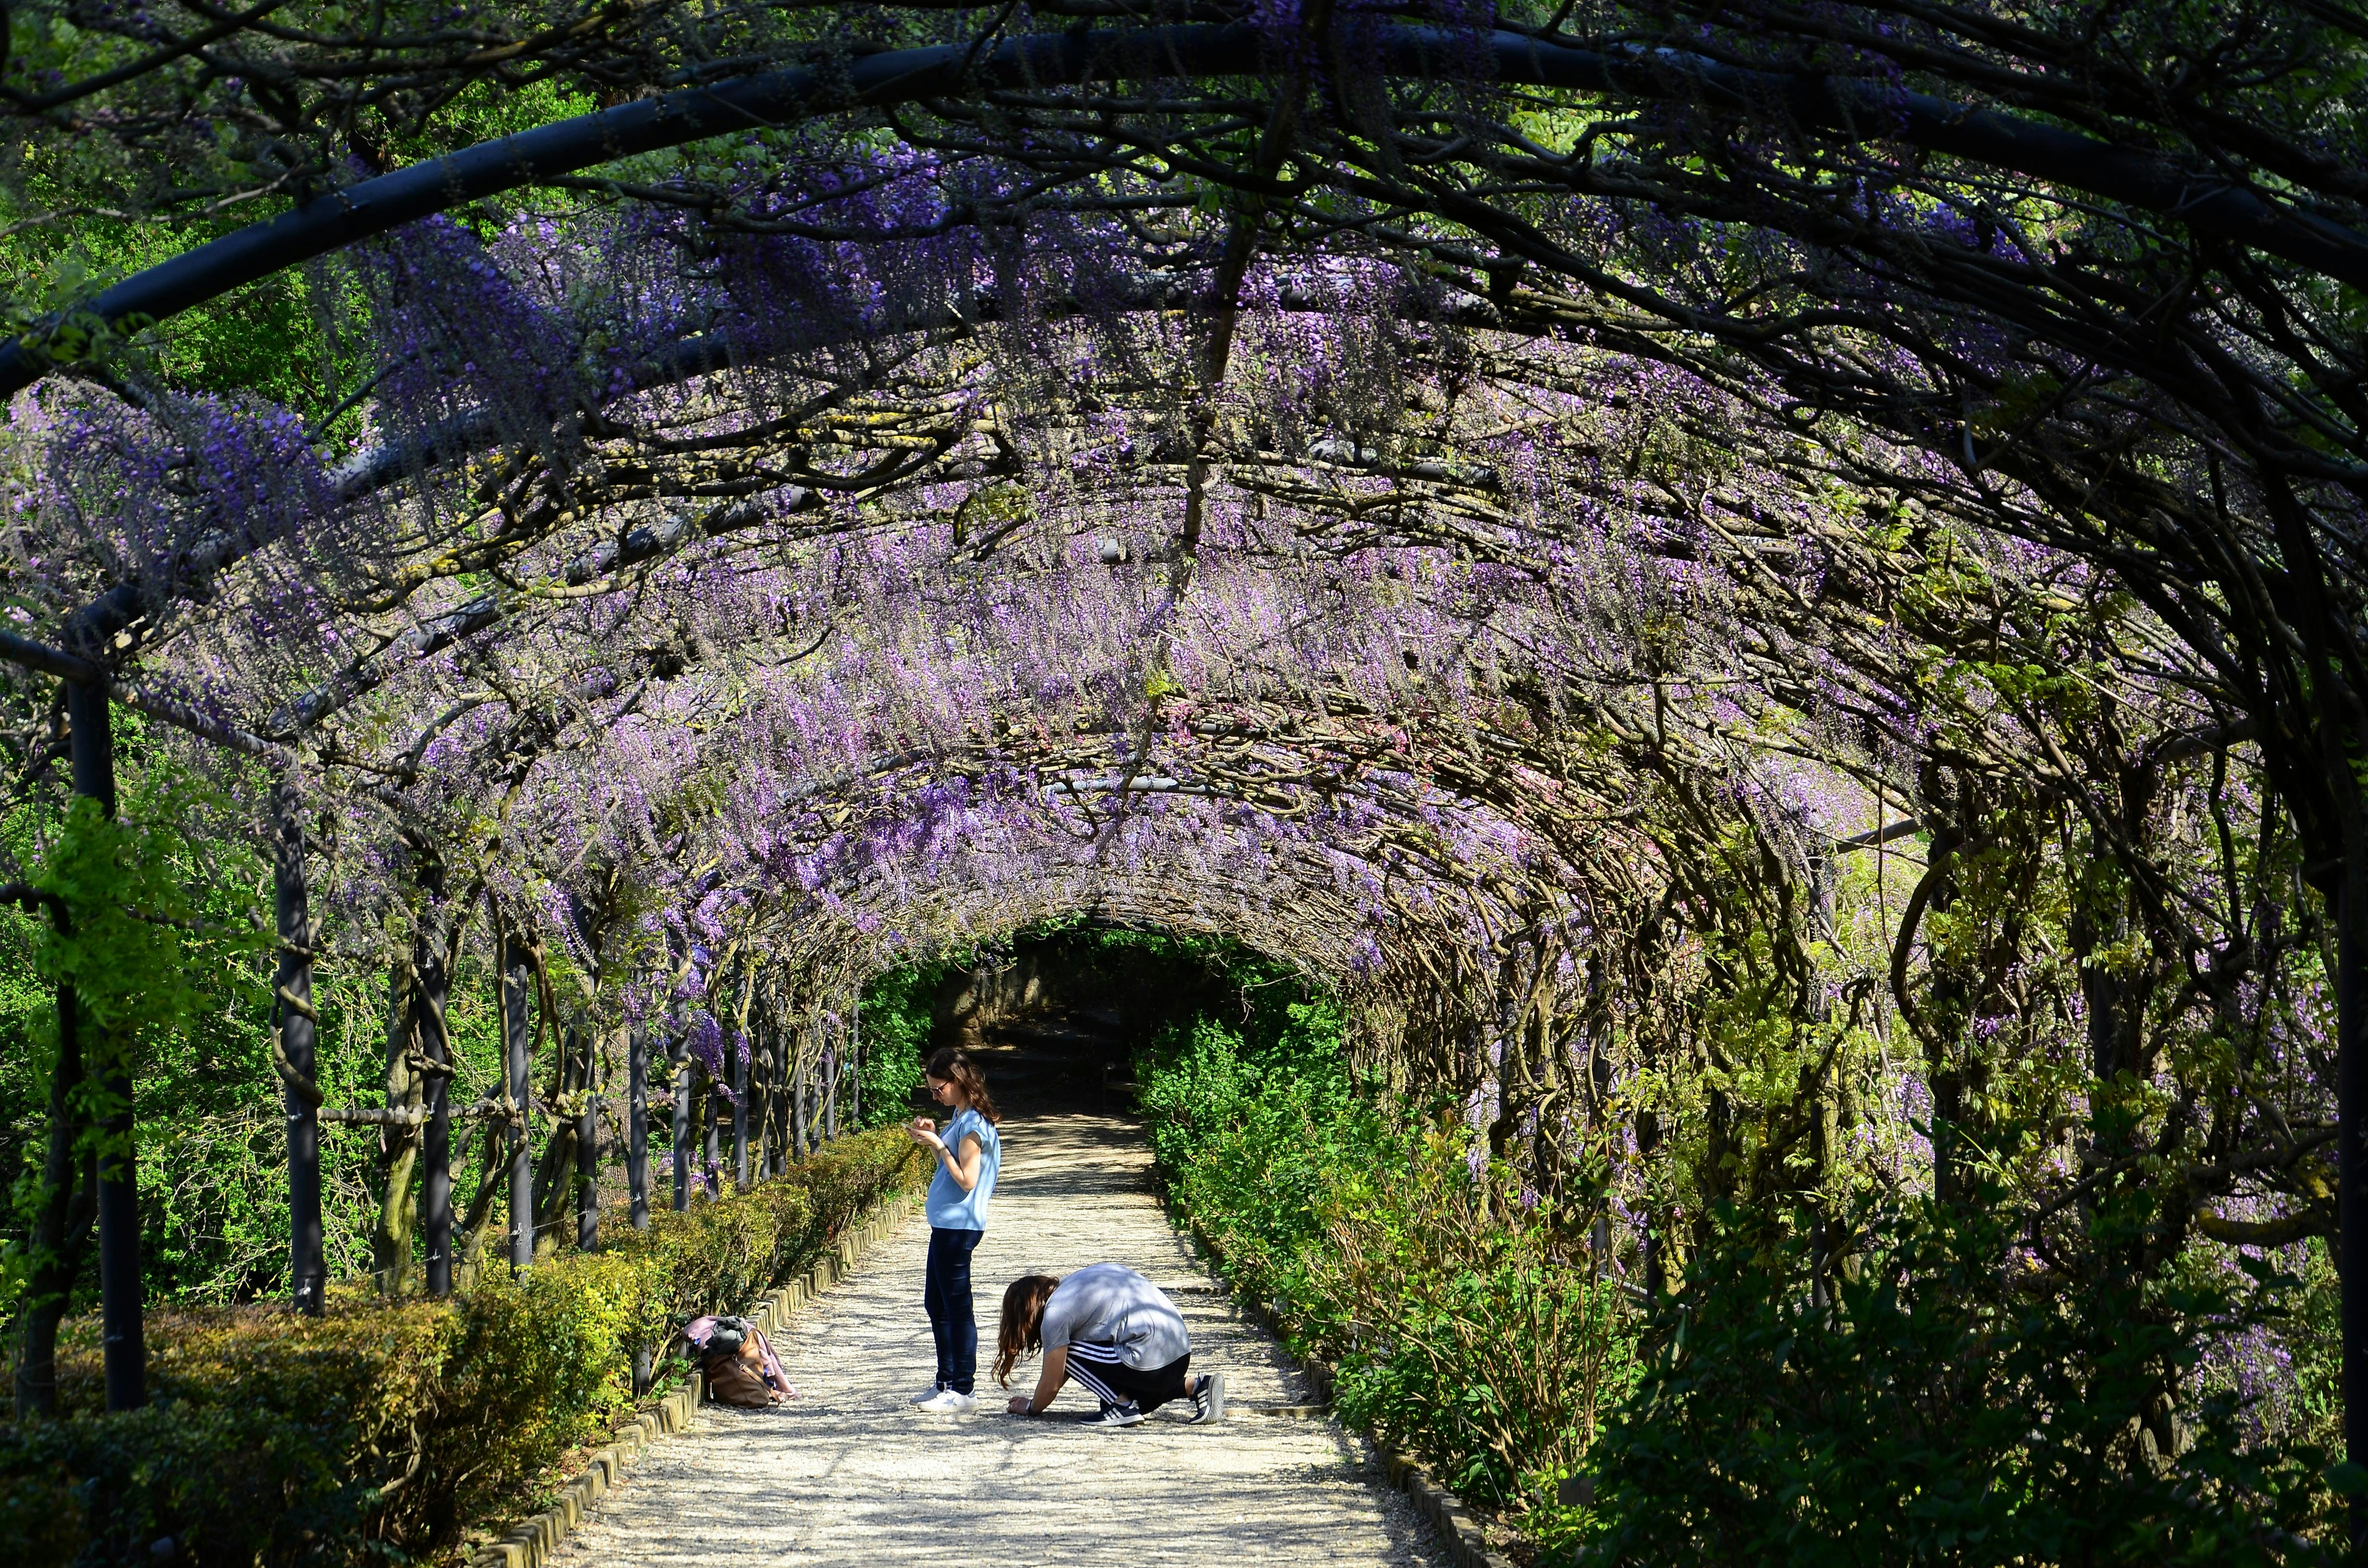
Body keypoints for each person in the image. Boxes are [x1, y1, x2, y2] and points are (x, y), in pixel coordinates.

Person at [994, 1263, 1225, 1427]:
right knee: (1118, 1400)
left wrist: (1031, 1407)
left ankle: (1122, 1407)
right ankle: (1196, 1386)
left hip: (1149, 1358)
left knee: (1072, 1353)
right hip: (1179, 1353)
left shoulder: (1055, 1313)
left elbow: (1052, 1382)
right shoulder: (1076, 1284)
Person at [909, 1047, 1002, 1413]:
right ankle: (945, 1383)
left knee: (957, 1308)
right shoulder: (961, 1116)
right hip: (947, 1226)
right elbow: (947, 1167)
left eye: (939, 1089)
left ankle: (964, 1391)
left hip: (959, 1228)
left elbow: (967, 1180)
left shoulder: (974, 1125)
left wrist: (937, 1143)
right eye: (931, 1090)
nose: (935, 1096)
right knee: (937, 1304)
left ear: (959, 1081)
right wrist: (934, 1140)